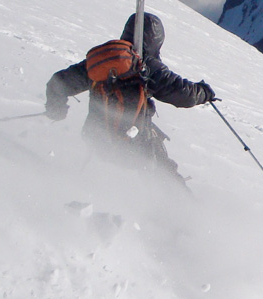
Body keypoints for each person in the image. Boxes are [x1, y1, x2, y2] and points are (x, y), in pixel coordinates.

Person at [45, 11, 215, 178]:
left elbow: (59, 82)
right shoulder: (146, 65)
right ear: (156, 41)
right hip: (135, 147)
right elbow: (182, 93)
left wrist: (56, 108)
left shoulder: (103, 61)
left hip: (96, 138)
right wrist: (204, 92)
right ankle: (179, 202)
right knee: (167, 176)